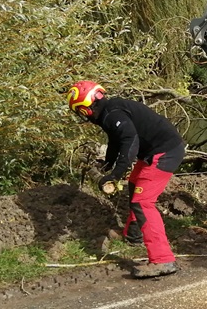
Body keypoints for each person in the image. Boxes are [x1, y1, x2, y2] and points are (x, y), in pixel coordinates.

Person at [66, 80, 185, 278]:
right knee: (135, 184)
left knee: (143, 202)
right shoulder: (109, 112)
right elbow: (116, 139)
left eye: (79, 111)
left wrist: (115, 175)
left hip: (165, 152)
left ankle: (163, 259)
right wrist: (107, 164)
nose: (82, 116)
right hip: (154, 151)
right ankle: (133, 235)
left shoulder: (112, 114)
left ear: (85, 108)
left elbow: (130, 141)